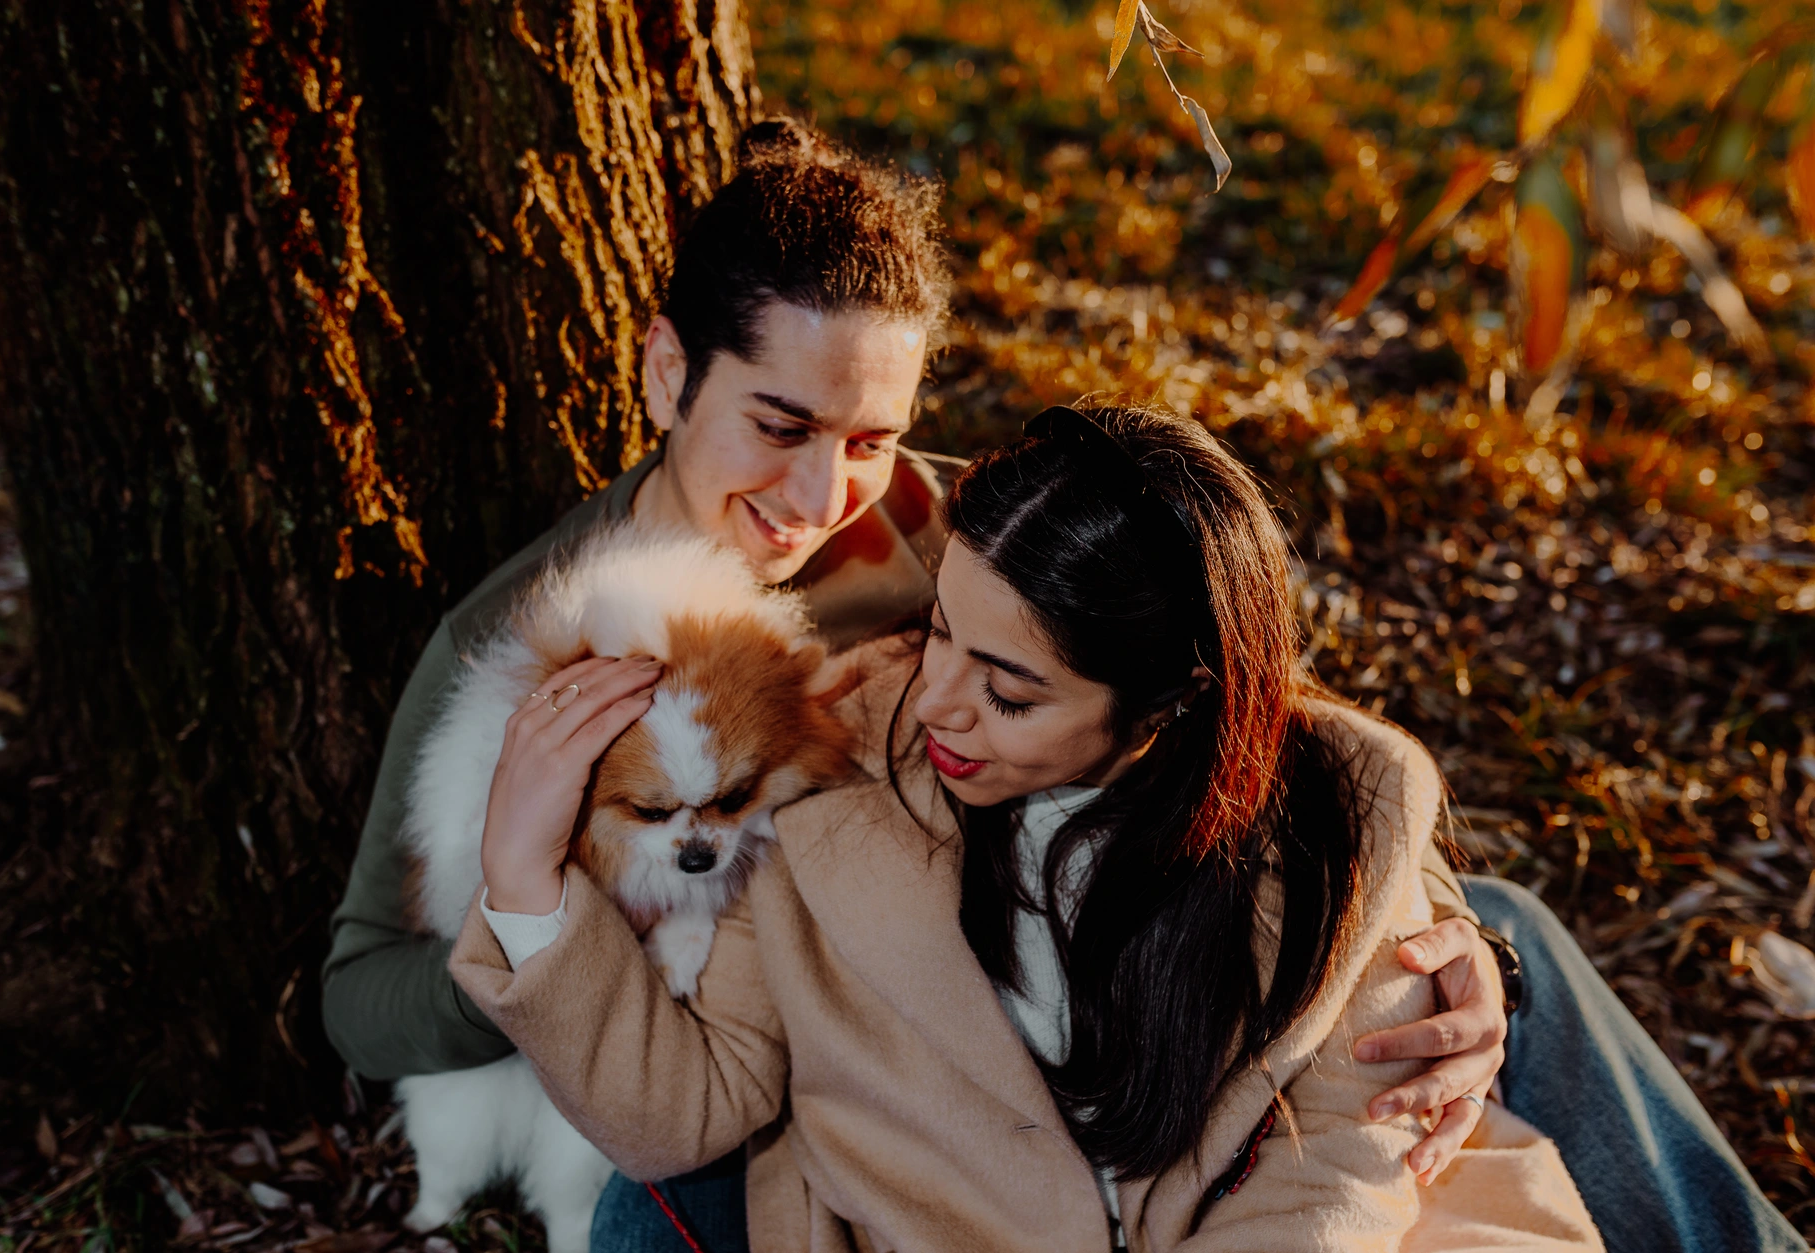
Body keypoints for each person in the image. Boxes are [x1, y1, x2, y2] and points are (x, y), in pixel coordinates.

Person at [320, 120, 1800, 1252]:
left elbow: (1220, 691)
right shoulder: (525, 650)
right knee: (667, 1191)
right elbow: (361, 1001)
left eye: (874, 435)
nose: (822, 493)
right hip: (787, 1041)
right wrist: (588, 898)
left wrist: (1448, 936)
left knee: (1499, 951)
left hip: (1083, 981)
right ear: (663, 372)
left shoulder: (953, 539)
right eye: (777, 421)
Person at [455, 404, 1605, 1251]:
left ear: (1169, 710)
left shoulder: (1334, 821)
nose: (938, 702)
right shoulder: (833, 770)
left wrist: (1467, 939)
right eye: (940, 629)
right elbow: (680, 1104)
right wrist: (520, 870)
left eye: (1010, 692)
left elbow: (1342, 1161)